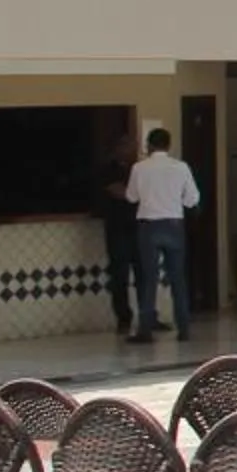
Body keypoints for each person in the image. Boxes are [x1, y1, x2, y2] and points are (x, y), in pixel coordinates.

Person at [125, 125, 201, 344]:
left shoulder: (139, 168)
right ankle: (184, 328)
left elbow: (131, 197)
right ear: (169, 145)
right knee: (178, 278)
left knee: (149, 279)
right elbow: (192, 199)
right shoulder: (181, 167)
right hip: (174, 226)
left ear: (149, 145)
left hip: (148, 227)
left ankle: (145, 330)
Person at [96, 133, 138, 336]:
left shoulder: (137, 169)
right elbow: (120, 192)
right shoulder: (108, 170)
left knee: (144, 274)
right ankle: (123, 318)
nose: (130, 151)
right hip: (117, 228)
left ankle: (149, 317)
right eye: (127, 147)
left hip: (137, 228)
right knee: (119, 275)